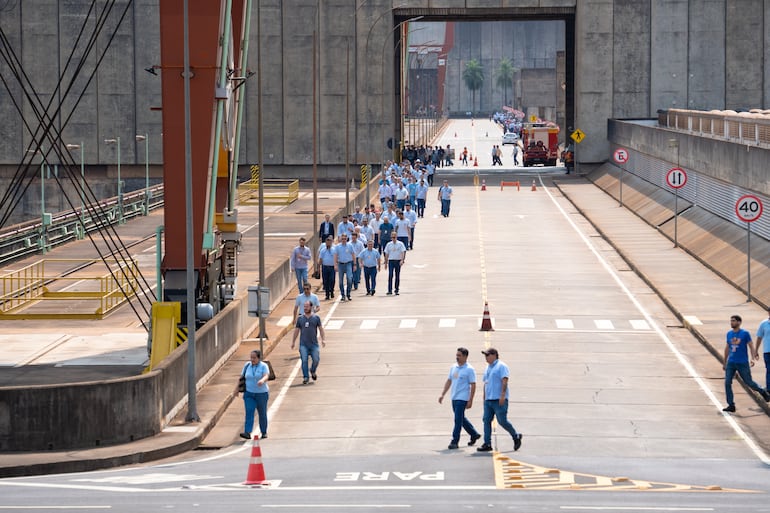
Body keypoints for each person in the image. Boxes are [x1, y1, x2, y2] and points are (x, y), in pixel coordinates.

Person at [477, 348, 522, 452]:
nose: (486, 357)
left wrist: (502, 395)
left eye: (487, 355)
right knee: (486, 420)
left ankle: (516, 436)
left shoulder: (501, 366)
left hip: (498, 399)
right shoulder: (488, 368)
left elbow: (505, 381)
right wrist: (484, 397)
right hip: (489, 400)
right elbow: (486, 383)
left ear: (494, 355)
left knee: (502, 421)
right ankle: (487, 443)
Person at [723, 314, 770, 412]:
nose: (732, 322)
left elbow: (751, 346)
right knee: (727, 382)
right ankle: (731, 404)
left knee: (749, 382)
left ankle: (762, 391)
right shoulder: (729, 334)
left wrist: (752, 358)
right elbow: (727, 348)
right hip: (731, 362)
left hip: (742, 362)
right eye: (731, 321)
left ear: (739, 322)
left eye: (734, 321)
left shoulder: (745, 333)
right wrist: (724, 362)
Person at [439, 347, 481, 450]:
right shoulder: (454, 367)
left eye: (459, 355)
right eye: (456, 355)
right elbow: (449, 381)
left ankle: (454, 441)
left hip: (462, 398)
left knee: (457, 419)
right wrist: (443, 394)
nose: (457, 357)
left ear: (465, 356)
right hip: (454, 397)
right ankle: (474, 433)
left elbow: (473, 385)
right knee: (461, 418)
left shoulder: (469, 369)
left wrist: (470, 400)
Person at [291, 301, 326, 385]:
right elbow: (296, 331)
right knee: (304, 360)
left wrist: (323, 339)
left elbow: (321, 329)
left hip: (314, 344)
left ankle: (313, 370)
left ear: (311, 307)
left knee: (316, 360)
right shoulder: (300, 319)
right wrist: (293, 341)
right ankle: (306, 377)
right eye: (304, 306)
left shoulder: (316, 318)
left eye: (307, 306)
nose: (305, 308)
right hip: (303, 345)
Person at [239, 349, 270, 439]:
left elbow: (266, 375)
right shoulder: (247, 365)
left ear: (259, 358)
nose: (252, 360)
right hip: (249, 393)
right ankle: (247, 432)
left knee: (262, 413)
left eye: (254, 358)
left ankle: (263, 431)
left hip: (262, 394)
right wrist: (236, 390)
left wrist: (262, 380)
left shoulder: (263, 366)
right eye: (251, 358)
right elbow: (241, 378)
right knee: (249, 412)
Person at [334, 233, 356, 301]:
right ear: (340, 239)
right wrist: (335, 265)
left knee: (349, 279)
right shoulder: (337, 246)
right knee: (340, 281)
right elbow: (335, 255)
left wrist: (354, 264)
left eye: (345, 239)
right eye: (342, 239)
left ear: (347, 239)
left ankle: (348, 294)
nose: (343, 240)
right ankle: (343, 295)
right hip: (340, 264)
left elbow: (353, 254)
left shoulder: (350, 246)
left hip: (348, 264)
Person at [754, 307, 770, 389]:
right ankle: (769, 388)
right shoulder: (764, 324)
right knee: (769, 369)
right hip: (767, 351)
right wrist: (756, 350)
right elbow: (759, 337)